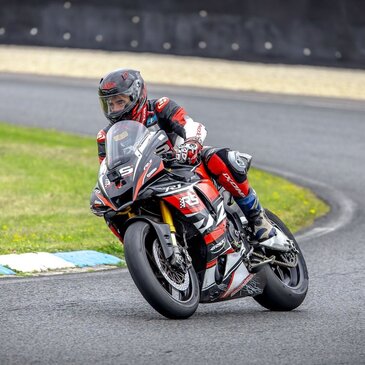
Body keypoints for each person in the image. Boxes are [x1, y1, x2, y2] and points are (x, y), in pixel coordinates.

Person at [90, 68, 276, 243]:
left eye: (120, 102)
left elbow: (190, 125)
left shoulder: (160, 107)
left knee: (220, 158)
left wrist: (192, 143)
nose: (114, 109)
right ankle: (145, 248)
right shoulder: (105, 136)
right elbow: (107, 168)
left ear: (136, 96)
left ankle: (256, 217)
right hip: (145, 182)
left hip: (184, 166)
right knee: (111, 210)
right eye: (110, 104)